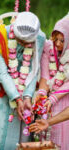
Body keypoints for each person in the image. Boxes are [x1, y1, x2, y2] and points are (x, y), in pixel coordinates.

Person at [0, 11, 46, 150]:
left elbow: (34, 70)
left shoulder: (40, 38)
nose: (22, 44)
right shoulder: (0, 36)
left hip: (27, 86)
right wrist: (16, 98)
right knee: (0, 133)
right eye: (20, 41)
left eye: (26, 42)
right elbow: (1, 72)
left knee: (23, 132)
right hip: (1, 89)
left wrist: (26, 97)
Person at [34, 14, 69, 150]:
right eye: (56, 39)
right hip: (49, 101)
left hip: (65, 100)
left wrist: (54, 97)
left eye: (62, 40)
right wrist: (42, 94)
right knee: (48, 136)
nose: (58, 44)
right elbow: (45, 75)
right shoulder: (48, 48)